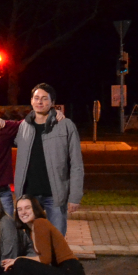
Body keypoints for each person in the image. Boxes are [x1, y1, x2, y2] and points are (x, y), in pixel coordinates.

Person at [4, 196, 89, 275]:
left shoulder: (40, 223)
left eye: (27, 208)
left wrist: (18, 260)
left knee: (21, 264)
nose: (23, 212)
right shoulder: (31, 229)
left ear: (35, 209)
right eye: (19, 209)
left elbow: (45, 259)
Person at [12, 83, 84, 236]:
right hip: (28, 195)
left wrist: (75, 196)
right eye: (36, 98)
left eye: (45, 98)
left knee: (56, 239)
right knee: (29, 241)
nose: (40, 102)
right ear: (31, 101)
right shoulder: (23, 126)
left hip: (55, 196)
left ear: (52, 102)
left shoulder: (65, 125)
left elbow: (76, 164)